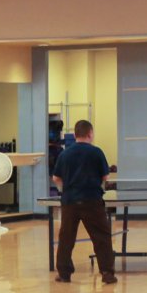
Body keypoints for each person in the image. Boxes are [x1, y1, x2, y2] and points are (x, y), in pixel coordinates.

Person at [51, 119, 116, 284]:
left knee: (66, 238)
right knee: (101, 237)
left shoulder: (65, 154)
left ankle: (64, 274)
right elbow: (106, 177)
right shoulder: (97, 152)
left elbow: (56, 178)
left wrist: (66, 188)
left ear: (74, 135)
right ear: (90, 134)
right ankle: (107, 273)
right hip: (92, 201)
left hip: (70, 202)